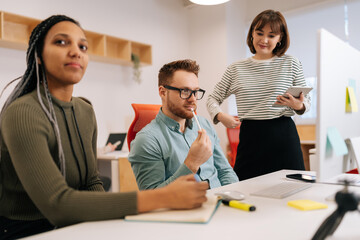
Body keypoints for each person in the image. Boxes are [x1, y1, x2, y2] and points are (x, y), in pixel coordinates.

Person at [0, 15, 208, 239]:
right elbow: (56, 204)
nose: (76, 51)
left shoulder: (84, 110)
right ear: (38, 56)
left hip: (75, 224)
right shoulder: (22, 112)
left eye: (83, 46)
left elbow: (91, 182)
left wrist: (111, 227)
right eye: (61, 42)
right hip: (26, 231)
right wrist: (164, 197)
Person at [206, 9, 311, 181]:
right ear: (252, 34)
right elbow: (212, 98)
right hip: (251, 136)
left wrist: (298, 105)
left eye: (271, 35)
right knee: (245, 189)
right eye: (259, 33)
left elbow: (307, 102)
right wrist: (220, 115)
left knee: (292, 186)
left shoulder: (291, 63)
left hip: (284, 134)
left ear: (280, 38)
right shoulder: (236, 68)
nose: (264, 40)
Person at [128, 59, 238, 190]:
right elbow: (151, 198)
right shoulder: (147, 140)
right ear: (163, 92)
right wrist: (192, 163)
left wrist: (234, 197)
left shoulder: (204, 124)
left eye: (196, 91)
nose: (193, 99)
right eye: (185, 91)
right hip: (186, 209)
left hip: (221, 202)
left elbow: (225, 171)